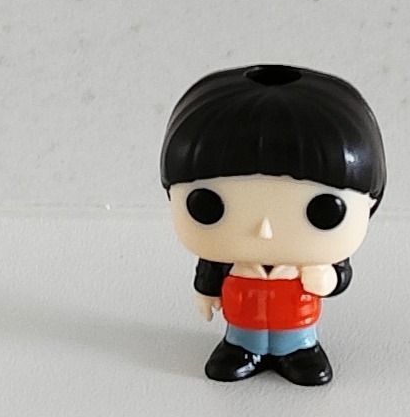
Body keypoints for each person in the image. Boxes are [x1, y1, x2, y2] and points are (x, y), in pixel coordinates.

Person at [161, 64, 386, 386]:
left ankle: (298, 352)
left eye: (323, 210)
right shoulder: (229, 260)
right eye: (209, 205)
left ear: (370, 203)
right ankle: (241, 350)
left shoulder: (313, 261)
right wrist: (206, 291)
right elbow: (210, 269)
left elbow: (340, 275)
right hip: (242, 320)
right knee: (242, 339)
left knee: (295, 342)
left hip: (297, 324)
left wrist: (329, 279)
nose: (264, 231)